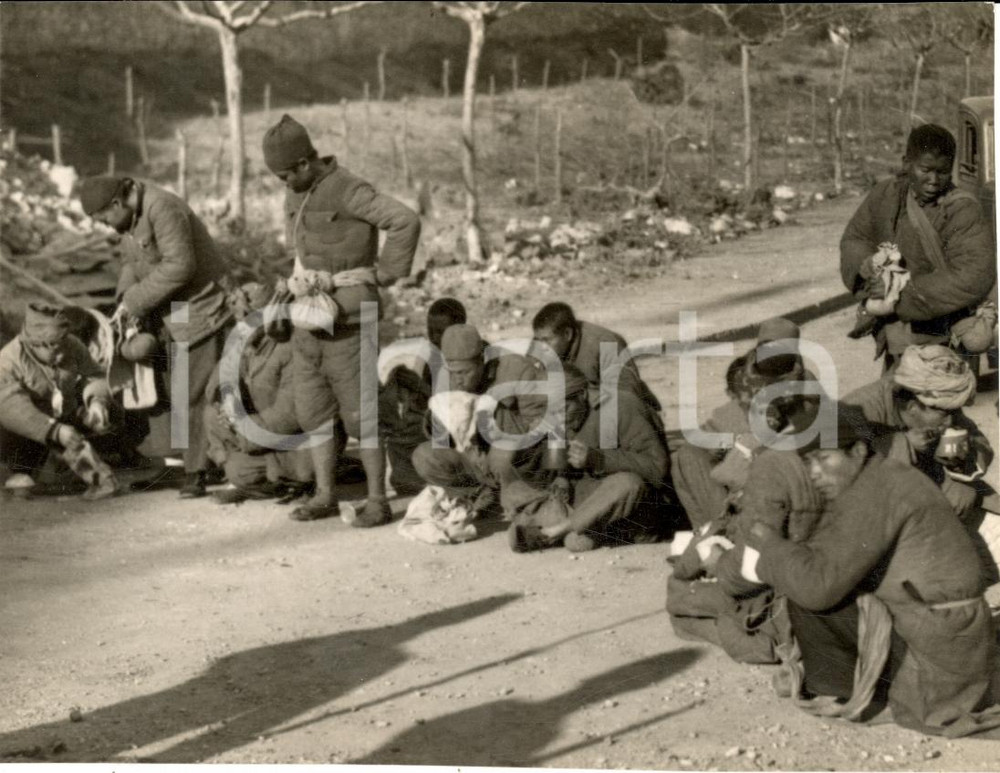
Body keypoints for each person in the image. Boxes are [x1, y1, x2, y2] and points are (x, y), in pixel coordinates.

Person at [740, 406, 1000, 738]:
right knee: (812, 574)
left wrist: (770, 544)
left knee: (808, 595)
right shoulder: (884, 476)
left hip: (939, 641)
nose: (815, 472)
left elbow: (818, 586)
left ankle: (844, 690)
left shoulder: (874, 491)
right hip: (952, 631)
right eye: (808, 462)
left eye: (824, 459)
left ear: (859, 451)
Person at [262, 114, 421, 524]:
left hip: (350, 317)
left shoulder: (348, 189)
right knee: (314, 408)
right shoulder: (295, 194)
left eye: (285, 175)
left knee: (361, 412)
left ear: (304, 163)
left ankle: (377, 500)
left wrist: (386, 273)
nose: (283, 184)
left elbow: (404, 220)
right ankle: (324, 494)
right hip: (307, 318)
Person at [77, 175, 234, 498]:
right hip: (164, 309)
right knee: (160, 386)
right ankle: (174, 464)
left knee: (191, 391)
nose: (106, 225)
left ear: (117, 203)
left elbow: (180, 266)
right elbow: (130, 265)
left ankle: (199, 470)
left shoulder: (162, 208)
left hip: (198, 307)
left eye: (104, 217)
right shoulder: (129, 222)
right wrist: (123, 300)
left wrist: (135, 300)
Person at [840, 123, 995, 369]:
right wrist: (868, 270)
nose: (934, 180)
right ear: (906, 163)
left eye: (943, 172)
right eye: (925, 169)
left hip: (944, 337)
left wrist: (899, 296)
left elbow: (972, 275)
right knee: (897, 399)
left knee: (940, 401)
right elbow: (856, 238)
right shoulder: (886, 195)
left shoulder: (962, 209)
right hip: (897, 335)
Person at [511, 364, 673, 553]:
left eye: (564, 409)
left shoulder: (622, 405)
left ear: (583, 395)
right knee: (517, 509)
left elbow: (657, 467)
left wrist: (598, 459)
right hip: (591, 501)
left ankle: (561, 529)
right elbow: (543, 479)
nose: (560, 419)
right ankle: (582, 528)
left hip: (635, 506)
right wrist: (534, 443)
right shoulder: (563, 418)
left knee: (627, 482)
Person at [672, 317, 811, 530]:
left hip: (778, 465)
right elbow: (727, 418)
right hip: (746, 444)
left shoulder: (803, 384)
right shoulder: (748, 371)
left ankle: (723, 533)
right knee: (688, 456)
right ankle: (710, 532)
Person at [410, 323, 547, 517]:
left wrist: (499, 430)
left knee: (499, 441)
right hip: (475, 460)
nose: (458, 380)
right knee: (424, 456)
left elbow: (539, 426)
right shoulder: (450, 375)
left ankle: (517, 497)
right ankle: (479, 495)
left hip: (515, 461)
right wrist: (437, 422)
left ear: (482, 360)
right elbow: (443, 432)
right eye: (453, 372)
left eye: (465, 373)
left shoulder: (516, 369)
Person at [844, 344, 992, 524]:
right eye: (944, 415)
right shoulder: (857, 412)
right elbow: (848, 483)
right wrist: (905, 445)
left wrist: (962, 459)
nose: (951, 422)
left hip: (946, 506)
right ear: (912, 407)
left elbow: (980, 444)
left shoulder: (940, 405)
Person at [204, 282, 313, 505]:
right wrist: (226, 403)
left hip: (296, 439)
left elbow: (290, 414)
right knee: (211, 416)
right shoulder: (248, 344)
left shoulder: (290, 347)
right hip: (262, 435)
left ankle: (305, 479)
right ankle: (266, 478)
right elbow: (216, 386)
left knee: (302, 470)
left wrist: (242, 424)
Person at [0, 302, 117, 499]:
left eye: (63, 342)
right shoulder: (8, 361)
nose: (62, 352)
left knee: (110, 414)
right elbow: (11, 408)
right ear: (33, 343)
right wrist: (53, 430)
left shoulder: (71, 344)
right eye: (54, 346)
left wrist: (97, 402)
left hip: (59, 417)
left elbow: (95, 375)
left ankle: (90, 475)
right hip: (23, 429)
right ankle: (16, 471)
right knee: (21, 471)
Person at [379, 298, 467, 497]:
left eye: (440, 331)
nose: (434, 337)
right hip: (436, 423)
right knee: (401, 432)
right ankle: (417, 478)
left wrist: (421, 387)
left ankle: (442, 480)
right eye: (431, 331)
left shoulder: (470, 353)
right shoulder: (433, 357)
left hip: (460, 429)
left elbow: (462, 404)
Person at [531, 301, 661, 412]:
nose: (541, 347)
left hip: (627, 416)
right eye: (538, 340)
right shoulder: (543, 348)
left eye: (547, 340)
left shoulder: (607, 344)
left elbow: (626, 396)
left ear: (567, 334)